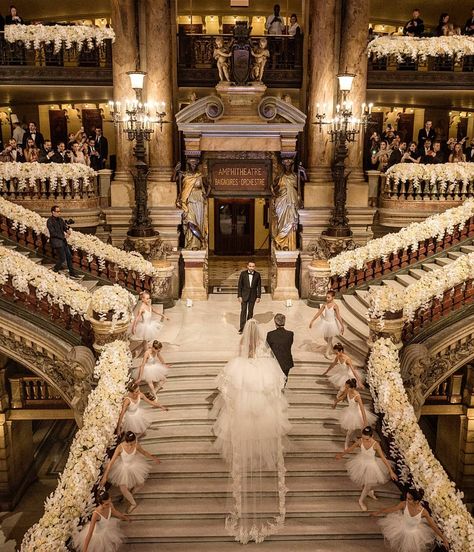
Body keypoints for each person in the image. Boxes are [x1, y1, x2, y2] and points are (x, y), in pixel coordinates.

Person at [212, 319, 291, 543]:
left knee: (244, 410)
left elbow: (232, 373)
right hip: (259, 374)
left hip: (245, 374)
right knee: (262, 411)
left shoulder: (243, 347)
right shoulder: (263, 349)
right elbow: (274, 379)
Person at [336, 426, 397, 512]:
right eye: (363, 438)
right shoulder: (360, 441)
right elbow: (350, 448)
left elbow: (383, 458)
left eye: (367, 439)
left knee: (369, 484)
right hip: (361, 462)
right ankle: (361, 500)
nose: (365, 440)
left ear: (372, 436)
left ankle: (367, 493)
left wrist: (391, 472)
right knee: (366, 483)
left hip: (372, 465)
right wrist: (341, 455)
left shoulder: (375, 444)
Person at [100, 431, 160, 513]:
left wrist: (154, 458)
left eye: (133, 442)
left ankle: (129, 495)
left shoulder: (136, 445)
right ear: (126, 441)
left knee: (140, 484)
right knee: (123, 488)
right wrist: (104, 477)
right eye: (130, 444)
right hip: (123, 468)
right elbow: (111, 462)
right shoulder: (120, 447)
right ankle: (133, 503)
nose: (132, 445)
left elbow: (144, 452)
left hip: (133, 466)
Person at [371, 488, 449, 551]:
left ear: (416, 501)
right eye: (406, 498)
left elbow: (433, 526)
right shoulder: (404, 504)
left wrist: (444, 539)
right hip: (401, 528)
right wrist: (378, 512)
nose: (406, 500)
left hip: (413, 534)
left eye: (409, 499)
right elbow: (392, 509)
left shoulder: (423, 512)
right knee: (400, 546)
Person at [333, 379, 377, 449]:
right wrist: (335, 402)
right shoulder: (347, 390)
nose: (346, 388)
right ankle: (351, 440)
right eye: (346, 387)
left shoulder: (357, 396)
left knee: (352, 431)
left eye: (347, 387)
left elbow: (362, 409)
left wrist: (365, 422)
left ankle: (347, 443)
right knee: (351, 429)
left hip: (357, 414)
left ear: (352, 388)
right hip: (350, 412)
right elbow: (342, 397)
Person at [271, 158, 300, 250]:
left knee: (291, 220)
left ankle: (287, 243)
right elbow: (272, 187)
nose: (287, 167)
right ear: (283, 166)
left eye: (289, 165)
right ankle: (281, 242)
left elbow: (299, 191)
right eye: (286, 165)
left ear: (291, 166)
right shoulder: (280, 177)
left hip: (292, 202)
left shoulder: (296, 176)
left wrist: (300, 200)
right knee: (282, 222)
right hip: (282, 201)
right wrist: (275, 194)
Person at [46, 205, 80, 278]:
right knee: (62, 258)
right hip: (57, 242)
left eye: (59, 211)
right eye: (57, 211)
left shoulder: (60, 219)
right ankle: (54, 270)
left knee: (69, 257)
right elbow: (53, 233)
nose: (59, 213)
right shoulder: (49, 221)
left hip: (63, 241)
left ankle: (72, 273)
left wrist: (67, 230)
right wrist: (63, 236)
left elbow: (64, 227)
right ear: (53, 212)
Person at [309, 290, 344, 358]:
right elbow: (318, 313)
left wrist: (342, 326)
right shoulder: (325, 305)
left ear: (333, 297)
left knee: (330, 339)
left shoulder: (335, 306)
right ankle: (332, 349)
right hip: (325, 322)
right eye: (326, 297)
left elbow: (338, 316)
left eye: (328, 297)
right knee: (325, 338)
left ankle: (327, 353)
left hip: (332, 324)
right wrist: (312, 320)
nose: (327, 299)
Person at [266, 313, 294, 382]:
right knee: (284, 380)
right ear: (284, 322)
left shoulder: (270, 334)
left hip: (274, 362)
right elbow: (289, 344)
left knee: (274, 381)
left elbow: (267, 347)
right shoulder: (290, 334)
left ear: (275, 322)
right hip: (286, 362)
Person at [237, 261, 261, 334]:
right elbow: (240, 286)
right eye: (250, 266)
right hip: (244, 295)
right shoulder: (243, 274)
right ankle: (242, 328)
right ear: (247, 266)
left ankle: (248, 328)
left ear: (255, 267)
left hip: (253, 296)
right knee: (243, 311)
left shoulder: (257, 275)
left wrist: (258, 296)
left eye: (253, 266)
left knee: (250, 312)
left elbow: (259, 286)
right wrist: (239, 296)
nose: (251, 268)